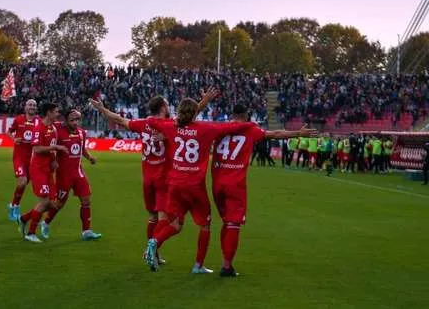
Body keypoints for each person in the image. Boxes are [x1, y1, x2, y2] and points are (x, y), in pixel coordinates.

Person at [89, 89, 217, 262]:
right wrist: (205, 101)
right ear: (164, 107)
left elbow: (119, 119)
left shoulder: (143, 123)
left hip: (147, 178)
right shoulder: (170, 124)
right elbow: (190, 115)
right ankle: (151, 250)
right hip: (164, 179)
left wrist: (102, 110)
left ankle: (154, 252)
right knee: (167, 220)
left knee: (152, 217)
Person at [144, 98, 256, 273]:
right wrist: (250, 124)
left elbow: (150, 121)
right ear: (195, 113)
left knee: (176, 223)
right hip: (194, 186)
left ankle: (155, 241)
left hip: (174, 184)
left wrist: (169, 123)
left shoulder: (171, 126)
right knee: (205, 225)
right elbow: (232, 127)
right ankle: (198, 265)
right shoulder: (205, 128)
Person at [211, 105, 317, 277]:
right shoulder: (249, 128)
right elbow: (275, 134)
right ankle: (227, 266)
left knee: (226, 222)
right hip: (235, 184)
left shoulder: (218, 127)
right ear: (245, 115)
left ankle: (222, 260)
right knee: (233, 223)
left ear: (232, 115)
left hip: (217, 183)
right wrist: (298, 133)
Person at [39, 109, 102, 241]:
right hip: (63, 174)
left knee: (86, 200)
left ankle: (86, 232)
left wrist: (90, 157)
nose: (75, 122)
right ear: (66, 120)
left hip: (78, 172)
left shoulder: (82, 133)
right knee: (59, 204)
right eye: (72, 120)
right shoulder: (58, 130)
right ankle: (45, 222)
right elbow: (52, 145)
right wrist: (54, 160)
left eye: (78, 119)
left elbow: (82, 149)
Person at [17, 102, 68, 243]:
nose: (57, 114)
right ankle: (30, 233)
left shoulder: (53, 128)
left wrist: (54, 160)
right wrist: (56, 147)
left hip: (48, 169)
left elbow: (50, 150)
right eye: (56, 111)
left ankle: (24, 218)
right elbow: (37, 149)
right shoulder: (38, 127)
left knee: (54, 204)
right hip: (38, 169)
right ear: (49, 113)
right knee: (45, 202)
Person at [6, 99, 39, 221]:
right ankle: (15, 206)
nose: (32, 107)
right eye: (30, 105)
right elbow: (9, 132)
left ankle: (14, 204)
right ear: (25, 107)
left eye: (34, 105)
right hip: (19, 157)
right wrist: (14, 139)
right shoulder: (18, 119)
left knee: (24, 184)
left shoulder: (39, 122)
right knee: (22, 182)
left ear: (36, 108)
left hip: (32, 159)